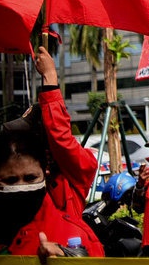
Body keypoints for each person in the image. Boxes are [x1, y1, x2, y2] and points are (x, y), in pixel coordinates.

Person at [0, 129, 104, 257]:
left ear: (46, 174)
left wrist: (71, 263)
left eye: (30, 178)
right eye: (10, 180)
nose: (21, 187)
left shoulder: (74, 236)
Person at [17, 47, 99, 219]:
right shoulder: (17, 173)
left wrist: (50, 77)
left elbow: (59, 137)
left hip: (64, 243)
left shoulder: (78, 167)